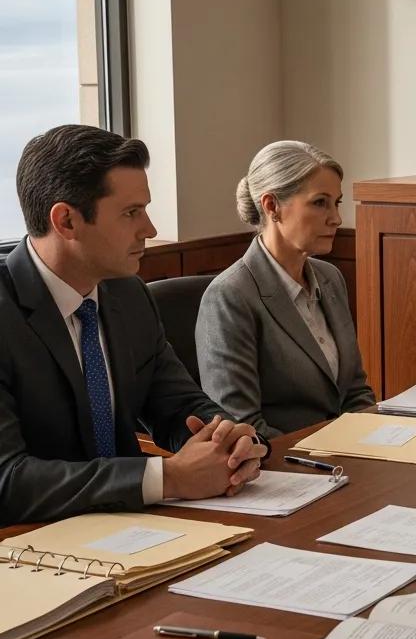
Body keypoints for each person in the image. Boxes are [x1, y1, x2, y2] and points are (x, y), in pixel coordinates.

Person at [0, 125, 266, 526]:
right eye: (131, 213)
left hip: (136, 530)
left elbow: (179, 405)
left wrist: (229, 442)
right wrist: (168, 478)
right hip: (34, 543)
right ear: (66, 221)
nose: (150, 229)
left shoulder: (128, 294)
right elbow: (7, 481)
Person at [196, 141, 375, 439]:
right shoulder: (229, 296)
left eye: (337, 203)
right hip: (282, 461)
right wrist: (325, 453)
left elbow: (355, 391)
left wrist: (375, 442)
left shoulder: (330, 278)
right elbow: (242, 426)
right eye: (320, 203)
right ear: (272, 206)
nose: (336, 218)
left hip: (348, 453)